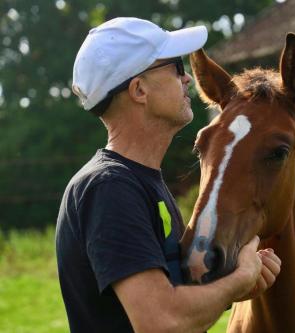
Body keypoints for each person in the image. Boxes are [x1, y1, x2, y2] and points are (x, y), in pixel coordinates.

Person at [56, 17, 281, 333]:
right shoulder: (110, 189)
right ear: (139, 89)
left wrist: (235, 289)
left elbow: (176, 304)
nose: (187, 78)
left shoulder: (140, 182)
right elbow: (160, 322)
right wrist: (239, 281)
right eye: (175, 67)